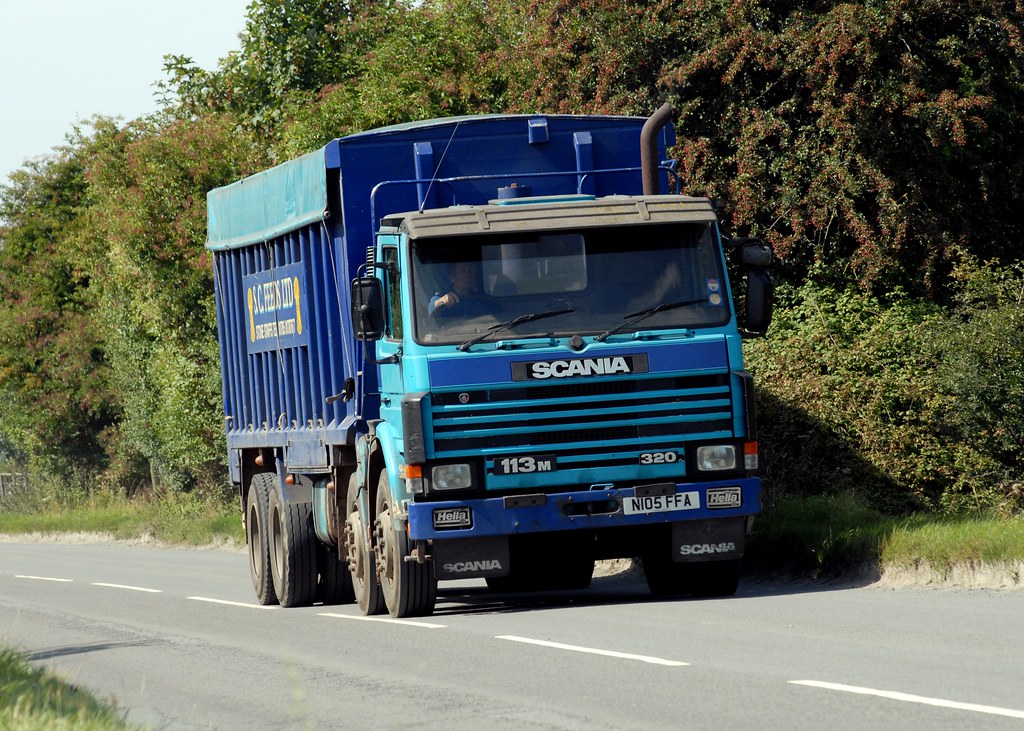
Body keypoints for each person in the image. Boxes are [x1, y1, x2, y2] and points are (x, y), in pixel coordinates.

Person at [429, 260, 497, 318]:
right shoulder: (443, 298)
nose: (467, 275)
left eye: (470, 271)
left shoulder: (485, 300)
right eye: (462, 271)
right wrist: (441, 302)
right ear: (452, 278)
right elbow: (430, 312)